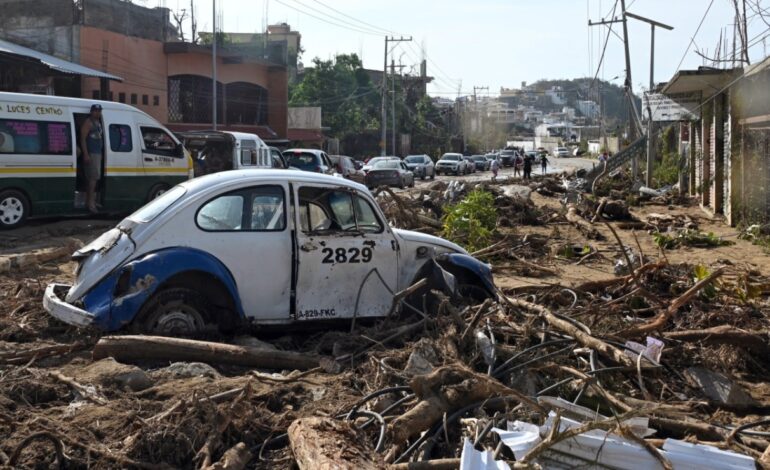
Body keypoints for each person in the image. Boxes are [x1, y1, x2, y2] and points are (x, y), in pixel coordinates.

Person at [80, 104, 104, 213]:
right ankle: (90, 204)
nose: (97, 113)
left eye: (99, 111)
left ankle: (90, 202)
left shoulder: (99, 123)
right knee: (92, 179)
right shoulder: (88, 123)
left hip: (97, 154)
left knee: (94, 179)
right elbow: (83, 139)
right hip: (91, 154)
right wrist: (86, 154)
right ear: (91, 111)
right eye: (95, 111)